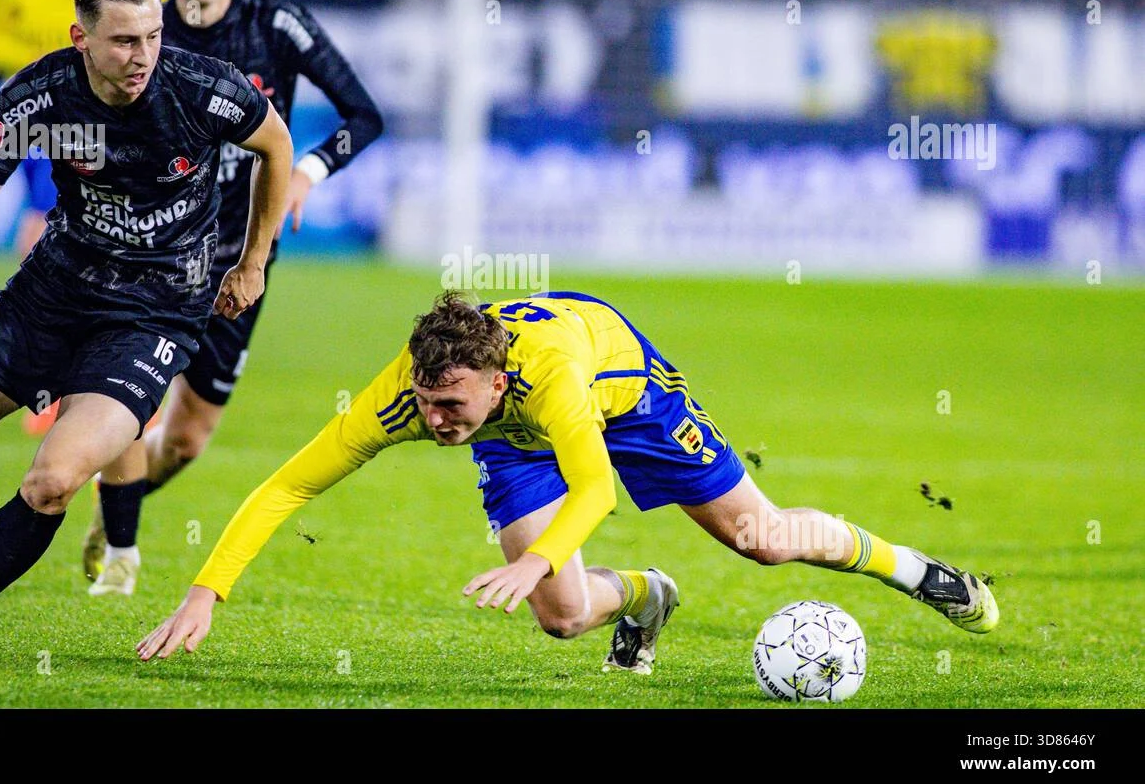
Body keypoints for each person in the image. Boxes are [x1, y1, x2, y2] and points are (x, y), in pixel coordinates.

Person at [139, 292, 1000, 674]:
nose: (434, 421)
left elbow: (596, 491)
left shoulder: (546, 375)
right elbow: (288, 486)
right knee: (559, 616)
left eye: (450, 406)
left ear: (494, 380)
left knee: (762, 541)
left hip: (624, 399)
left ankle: (919, 570)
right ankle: (646, 596)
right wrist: (208, 589)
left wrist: (535, 555)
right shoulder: (407, 396)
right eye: (427, 403)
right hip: (515, 443)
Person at [0, 0, 292, 660]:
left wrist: (253, 259)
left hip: (156, 312)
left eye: (151, 36)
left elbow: (276, 144)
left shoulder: (202, 88)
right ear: (80, 37)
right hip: (51, 294)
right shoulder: (38, 96)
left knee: (52, 481)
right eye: (122, 41)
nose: (141, 55)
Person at [83, 0, 383, 597]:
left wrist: (306, 171)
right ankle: (122, 556)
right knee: (129, 397)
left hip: (242, 260)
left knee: (186, 440)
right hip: (152, 250)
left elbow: (363, 116)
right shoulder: (144, 31)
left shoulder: (276, 25)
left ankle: (109, 507)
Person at [0, 0, 169, 434]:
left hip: (117, 119)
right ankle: (55, 368)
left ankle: (127, 373)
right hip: (40, 115)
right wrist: (54, 68)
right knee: (45, 222)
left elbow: (157, 21)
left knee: (131, 232)